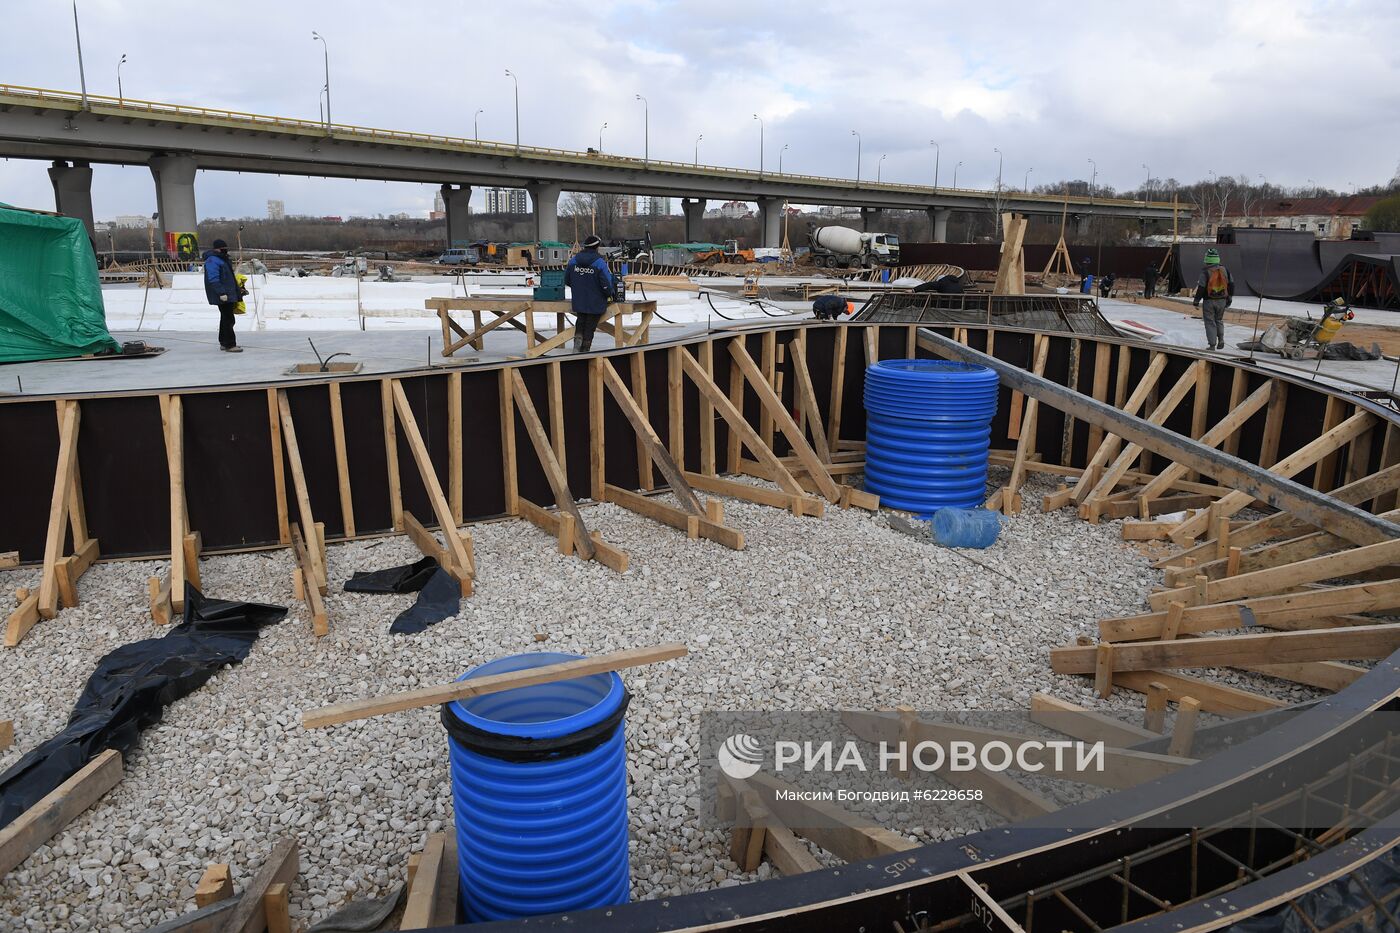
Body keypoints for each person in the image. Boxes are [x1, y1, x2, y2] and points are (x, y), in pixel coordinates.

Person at [564, 235, 620, 352]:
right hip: (596, 302)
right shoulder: (599, 263)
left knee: (580, 321)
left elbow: (567, 280)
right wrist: (610, 294)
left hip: (579, 300)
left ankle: (577, 344)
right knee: (590, 326)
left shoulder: (573, 260)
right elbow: (606, 284)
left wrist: (579, 289)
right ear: (597, 246)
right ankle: (585, 350)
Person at [202, 239, 245, 352]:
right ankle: (230, 344)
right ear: (217, 249)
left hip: (228, 293)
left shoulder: (222, 259)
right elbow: (213, 278)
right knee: (228, 319)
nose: (225, 251)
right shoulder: (212, 260)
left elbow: (228, 277)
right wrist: (221, 292)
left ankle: (224, 342)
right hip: (223, 294)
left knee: (225, 318)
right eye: (223, 249)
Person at [1193, 247, 1235, 350]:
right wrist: (1229, 298)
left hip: (1209, 301)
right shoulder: (1225, 270)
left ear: (1207, 259)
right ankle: (1221, 339)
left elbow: (1201, 287)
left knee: (1210, 322)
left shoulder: (1205, 272)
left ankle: (1212, 345)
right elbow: (1231, 284)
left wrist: (1196, 301)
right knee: (1219, 320)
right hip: (1222, 300)